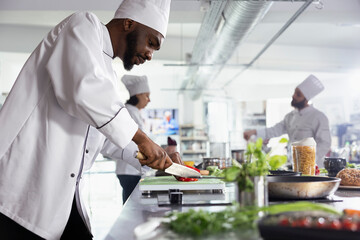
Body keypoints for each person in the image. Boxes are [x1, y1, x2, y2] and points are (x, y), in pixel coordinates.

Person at [0, 0, 177, 239]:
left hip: (61, 199)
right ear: (129, 23)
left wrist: (156, 159)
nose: (150, 55)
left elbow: (104, 139)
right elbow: (83, 89)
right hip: (18, 195)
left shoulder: (108, 75)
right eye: (151, 43)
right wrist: (141, 137)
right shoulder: (83, 25)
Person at [243, 75, 331, 168]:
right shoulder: (290, 116)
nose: (293, 96)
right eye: (294, 92)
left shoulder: (319, 117)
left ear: (306, 99)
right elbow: (275, 130)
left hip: (313, 167)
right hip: (294, 165)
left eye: (298, 95)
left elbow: (325, 143)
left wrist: (308, 160)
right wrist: (254, 132)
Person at [115, 74, 152, 204]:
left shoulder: (135, 112)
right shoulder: (129, 112)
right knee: (132, 206)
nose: (149, 100)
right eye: (146, 95)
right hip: (129, 169)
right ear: (137, 95)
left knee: (132, 204)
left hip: (132, 168)